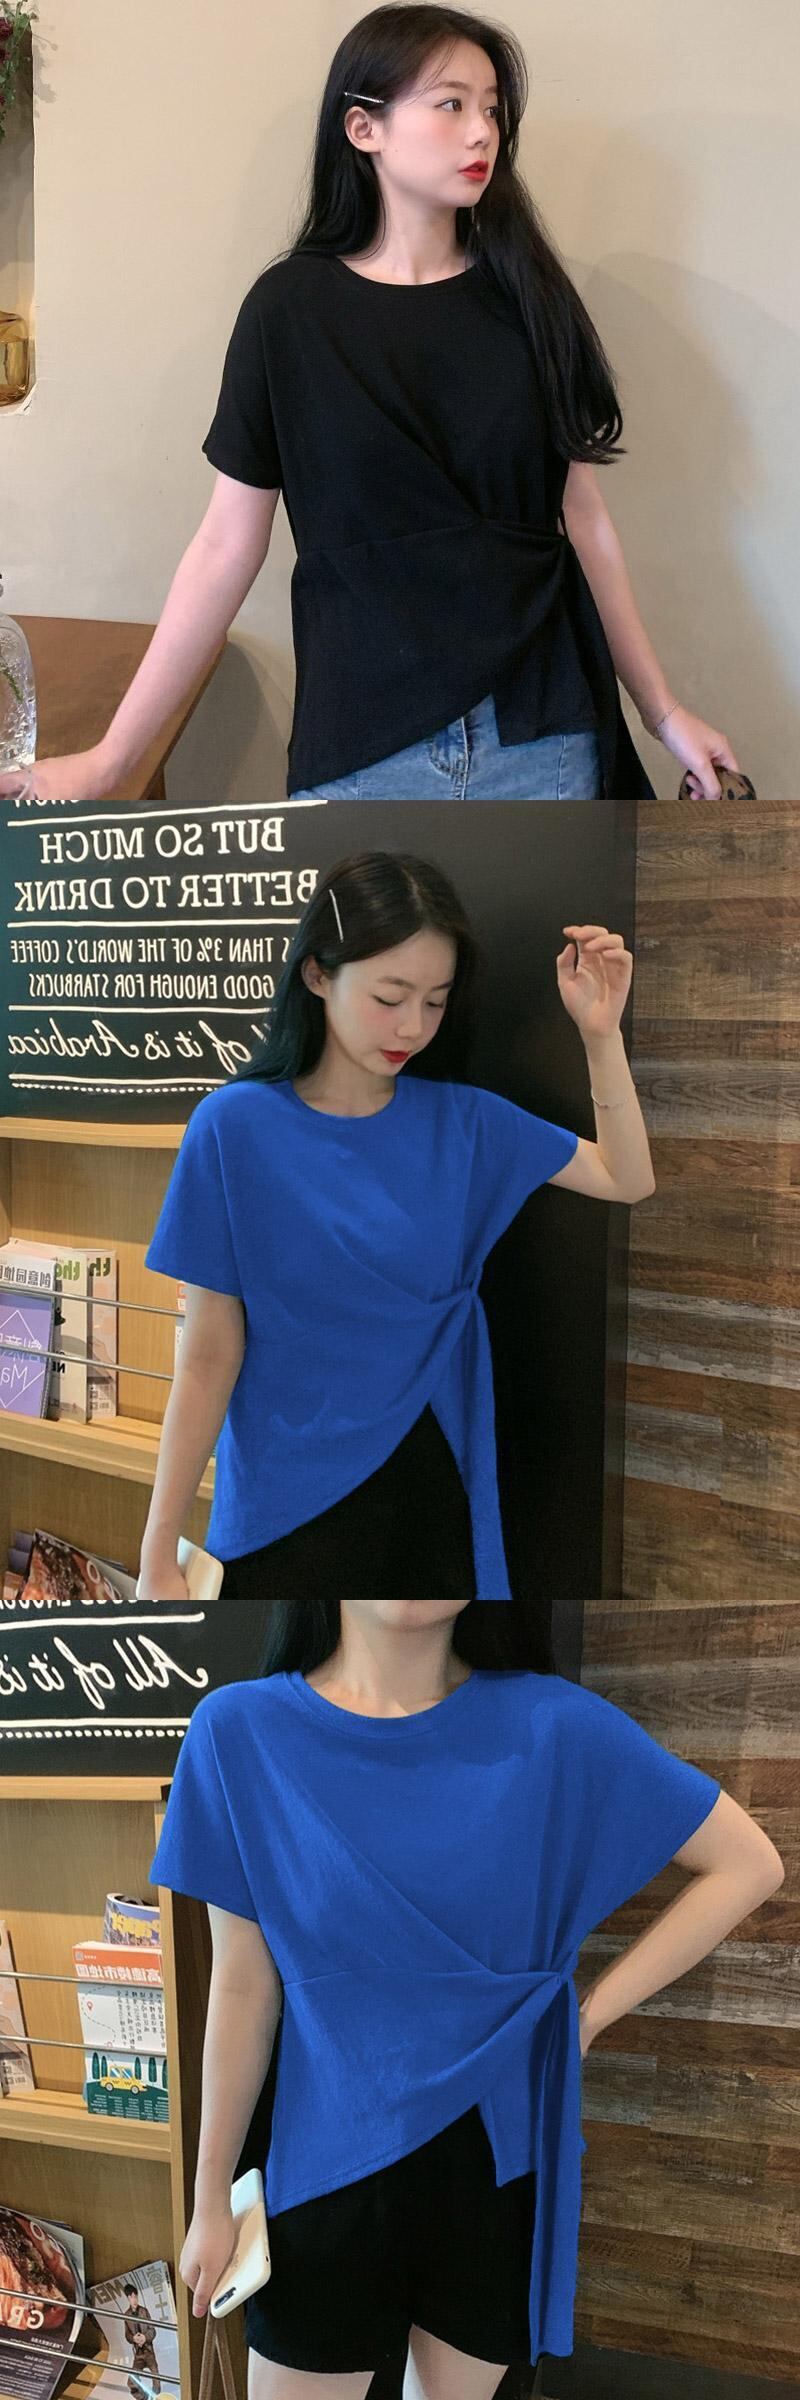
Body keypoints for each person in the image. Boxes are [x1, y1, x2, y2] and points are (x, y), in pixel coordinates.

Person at [1, 6, 738, 812]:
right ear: (364, 129)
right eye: (451, 103)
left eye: (493, 109)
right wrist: (112, 762)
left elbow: (584, 519)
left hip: (541, 738)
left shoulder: (529, 299)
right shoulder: (288, 313)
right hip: (362, 746)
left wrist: (663, 712)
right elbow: (224, 545)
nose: (482, 132)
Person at [149, 1596, 784, 2399]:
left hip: (494, 2163)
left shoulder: (553, 1725)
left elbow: (749, 1865)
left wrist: (583, 2018)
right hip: (323, 2169)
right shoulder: (240, 1731)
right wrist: (208, 2198)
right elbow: (244, 1984)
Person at [138, 850, 654, 1604]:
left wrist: (601, 1035)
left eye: (435, 1001)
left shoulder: (462, 1122)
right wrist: (157, 1548)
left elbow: (627, 1177)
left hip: (428, 1482)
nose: (413, 1026)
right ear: (317, 974)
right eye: (390, 996)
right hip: (282, 1502)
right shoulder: (232, 1127)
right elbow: (209, 1352)